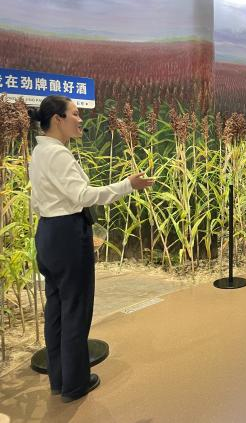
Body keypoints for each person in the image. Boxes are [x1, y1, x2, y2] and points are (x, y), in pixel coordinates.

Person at [29, 95, 154, 402]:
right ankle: (75, 384)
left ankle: (60, 379)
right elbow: (83, 196)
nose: (80, 119)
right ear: (58, 119)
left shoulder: (40, 151)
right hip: (68, 235)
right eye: (74, 114)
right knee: (76, 310)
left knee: (57, 309)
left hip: (48, 233)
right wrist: (127, 185)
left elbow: (39, 201)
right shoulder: (57, 154)